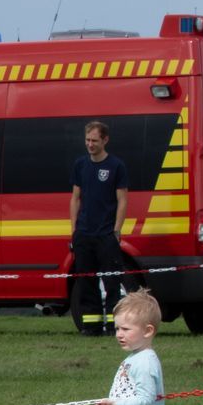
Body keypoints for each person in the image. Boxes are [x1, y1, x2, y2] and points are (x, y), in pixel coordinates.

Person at [69, 120, 129, 336]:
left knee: (112, 281)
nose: (90, 144)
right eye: (87, 140)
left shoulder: (116, 166)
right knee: (86, 281)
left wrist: (116, 230)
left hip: (106, 234)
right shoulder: (80, 165)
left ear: (105, 140)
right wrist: (74, 230)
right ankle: (91, 326)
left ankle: (115, 326)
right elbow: (75, 198)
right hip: (84, 234)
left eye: (94, 140)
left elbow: (122, 200)